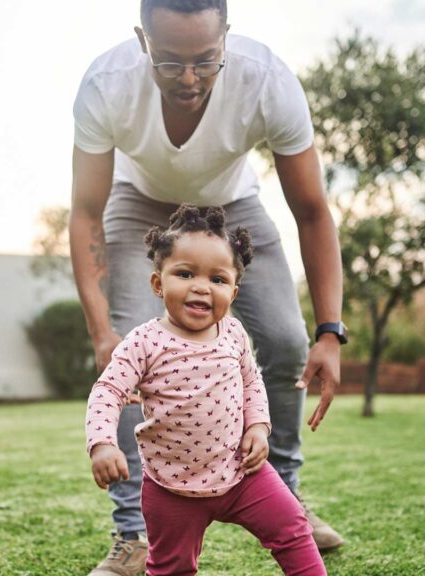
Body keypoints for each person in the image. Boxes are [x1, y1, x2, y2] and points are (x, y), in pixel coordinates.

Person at [70, 1, 346, 574]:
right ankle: (133, 534)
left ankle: (286, 495)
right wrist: (103, 332)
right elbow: (85, 213)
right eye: (170, 62)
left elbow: (314, 211)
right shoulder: (106, 83)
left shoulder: (266, 80)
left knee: (287, 340)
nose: (189, 79)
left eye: (205, 60)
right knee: (121, 353)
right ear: (143, 41)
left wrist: (330, 332)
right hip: (136, 203)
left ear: (227, 38)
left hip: (233, 205)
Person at [86, 204, 326, 575]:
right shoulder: (144, 342)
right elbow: (108, 390)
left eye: (217, 279)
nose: (201, 286)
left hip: (243, 474)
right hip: (171, 487)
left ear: (234, 291)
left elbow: (251, 383)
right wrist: (102, 443)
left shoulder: (233, 333)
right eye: (184, 273)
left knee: (294, 528)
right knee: (172, 569)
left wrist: (259, 428)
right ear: (158, 283)